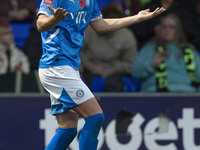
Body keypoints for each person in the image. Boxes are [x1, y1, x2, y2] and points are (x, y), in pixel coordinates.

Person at [36, 0, 165, 149]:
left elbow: (101, 25)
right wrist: (54, 19)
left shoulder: (90, 1)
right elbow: (40, 24)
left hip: (69, 68)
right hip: (56, 67)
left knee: (68, 130)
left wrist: (136, 17)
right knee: (95, 117)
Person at [131, 13, 200, 92]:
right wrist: (152, 64)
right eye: (164, 27)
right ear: (159, 29)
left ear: (178, 31)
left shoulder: (189, 49)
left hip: (187, 94)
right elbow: (135, 73)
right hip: (156, 95)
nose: (167, 30)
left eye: (172, 27)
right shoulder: (149, 48)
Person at [80, 2, 138, 92]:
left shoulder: (127, 36)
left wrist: (112, 70)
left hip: (115, 73)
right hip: (89, 69)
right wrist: (90, 66)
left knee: (114, 85)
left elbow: (129, 63)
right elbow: (78, 51)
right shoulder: (89, 30)